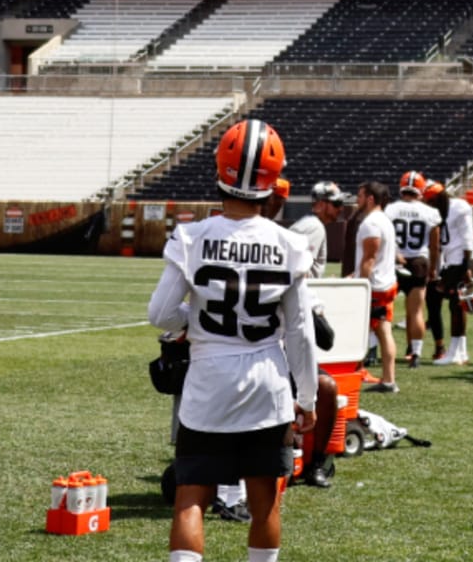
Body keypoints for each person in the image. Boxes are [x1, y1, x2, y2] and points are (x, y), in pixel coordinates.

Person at [147, 118, 317, 562]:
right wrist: (310, 397)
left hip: (208, 381)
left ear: (220, 170)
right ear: (272, 183)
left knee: (191, 500)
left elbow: (159, 314)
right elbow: (300, 332)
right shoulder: (290, 244)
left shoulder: (192, 236)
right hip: (268, 381)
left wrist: (192, 323)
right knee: (264, 502)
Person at [284, 178, 354, 489]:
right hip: (285, 323)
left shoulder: (312, 226)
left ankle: (313, 460)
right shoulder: (312, 227)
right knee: (321, 386)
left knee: (324, 384)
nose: (340, 209)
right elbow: (294, 269)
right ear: (322, 203)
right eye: (336, 203)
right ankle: (312, 462)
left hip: (295, 318)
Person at [384, 171, 442, 369]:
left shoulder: (390, 210)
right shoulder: (430, 212)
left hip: (395, 261)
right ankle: (416, 353)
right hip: (419, 261)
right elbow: (435, 246)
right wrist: (434, 268)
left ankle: (377, 350)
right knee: (416, 311)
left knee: (385, 309)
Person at [349, 180, 399, 393]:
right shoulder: (384, 220)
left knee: (377, 331)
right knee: (378, 330)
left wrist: (363, 283)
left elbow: (369, 258)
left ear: (370, 198)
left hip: (376, 286)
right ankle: (383, 378)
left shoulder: (372, 223)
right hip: (384, 282)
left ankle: (387, 379)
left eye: (360, 196)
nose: (357, 200)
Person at [425, 181, 473, 365]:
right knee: (454, 305)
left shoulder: (459, 207)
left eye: (432, 201)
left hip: (461, 261)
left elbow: (467, 236)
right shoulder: (439, 210)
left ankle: (456, 352)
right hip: (450, 262)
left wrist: (467, 266)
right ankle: (459, 351)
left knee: (456, 305)